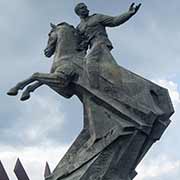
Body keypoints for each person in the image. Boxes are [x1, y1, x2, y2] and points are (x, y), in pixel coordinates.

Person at [74, 2, 141, 88]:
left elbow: (114, 21)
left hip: (101, 42)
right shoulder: (79, 27)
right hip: (92, 47)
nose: (86, 9)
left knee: (90, 60)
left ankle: (94, 87)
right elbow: (82, 45)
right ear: (78, 12)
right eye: (83, 8)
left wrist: (129, 13)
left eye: (86, 7)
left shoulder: (97, 17)